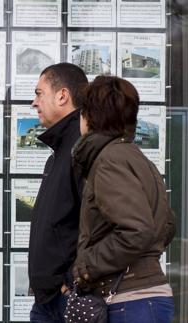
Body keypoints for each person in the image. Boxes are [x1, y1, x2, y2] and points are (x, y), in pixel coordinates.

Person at [71, 75, 175, 322]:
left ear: (89, 116)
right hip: (146, 296)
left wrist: (87, 266)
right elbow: (167, 225)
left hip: (129, 299)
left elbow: (137, 231)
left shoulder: (109, 161)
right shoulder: (138, 158)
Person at [28, 63, 88, 322]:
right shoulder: (60, 153)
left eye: (39, 93)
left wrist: (69, 282)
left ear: (62, 95)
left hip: (66, 298)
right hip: (49, 299)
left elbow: (99, 224)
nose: (34, 102)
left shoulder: (82, 149)